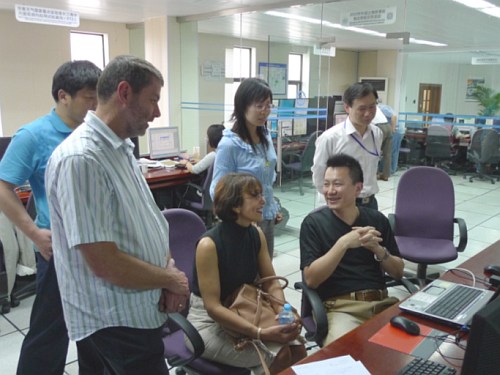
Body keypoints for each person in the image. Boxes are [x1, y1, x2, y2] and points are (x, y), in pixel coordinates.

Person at [45, 55, 190, 374]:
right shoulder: (82, 158)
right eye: (152, 100)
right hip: (114, 322)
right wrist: (171, 278)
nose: (158, 112)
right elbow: (103, 261)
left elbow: (150, 221)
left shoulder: (120, 148)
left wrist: (167, 268)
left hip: (137, 311)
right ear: (124, 93)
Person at [0, 60, 101, 375]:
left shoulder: (96, 131)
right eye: (88, 97)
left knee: (97, 329)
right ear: (63, 96)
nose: (95, 104)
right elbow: (3, 187)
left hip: (99, 247)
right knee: (50, 330)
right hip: (59, 250)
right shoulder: (33, 135)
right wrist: (33, 233)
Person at [188, 173, 306, 374]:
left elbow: (271, 283)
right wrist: (259, 333)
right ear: (235, 206)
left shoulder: (255, 233)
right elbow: (213, 307)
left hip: (245, 307)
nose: (263, 200)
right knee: (280, 355)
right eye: (255, 196)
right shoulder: (209, 245)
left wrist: (282, 313)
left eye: (261, 194)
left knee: (299, 349)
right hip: (208, 322)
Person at [301, 154, 404, 345]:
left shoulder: (376, 220)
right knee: (344, 359)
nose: (330, 191)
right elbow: (311, 280)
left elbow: (398, 272)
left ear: (357, 188)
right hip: (341, 309)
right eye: (326, 184)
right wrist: (343, 244)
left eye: (337, 184)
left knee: (412, 348)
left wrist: (378, 250)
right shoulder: (313, 224)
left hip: (382, 303)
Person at [210, 78, 281, 258]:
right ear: (242, 106)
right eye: (259, 106)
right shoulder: (229, 144)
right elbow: (217, 189)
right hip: (243, 221)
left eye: (268, 106)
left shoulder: (264, 135)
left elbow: (266, 178)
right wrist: (239, 215)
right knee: (246, 276)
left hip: (265, 215)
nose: (264, 111)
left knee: (265, 271)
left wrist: (273, 206)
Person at [312, 82, 382, 210]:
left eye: (372, 107)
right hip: (342, 205)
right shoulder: (330, 138)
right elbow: (319, 176)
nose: (368, 113)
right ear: (347, 107)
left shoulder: (377, 133)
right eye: (361, 109)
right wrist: (333, 202)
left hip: (370, 203)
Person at [375, 98, 395, 181]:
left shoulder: (370, 108)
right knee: (387, 154)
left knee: (374, 152)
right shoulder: (378, 109)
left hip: (379, 127)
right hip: (387, 126)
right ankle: (386, 175)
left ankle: (374, 174)